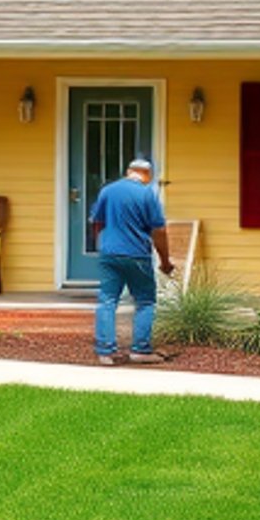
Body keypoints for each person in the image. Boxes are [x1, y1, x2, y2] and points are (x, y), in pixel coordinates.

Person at [86, 154, 175, 365]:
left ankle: (105, 352)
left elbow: (96, 221)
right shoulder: (147, 194)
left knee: (107, 300)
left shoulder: (108, 190)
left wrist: (103, 244)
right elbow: (159, 230)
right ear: (147, 175)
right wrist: (165, 261)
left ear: (128, 172)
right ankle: (140, 350)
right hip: (137, 255)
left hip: (109, 254)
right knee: (145, 301)